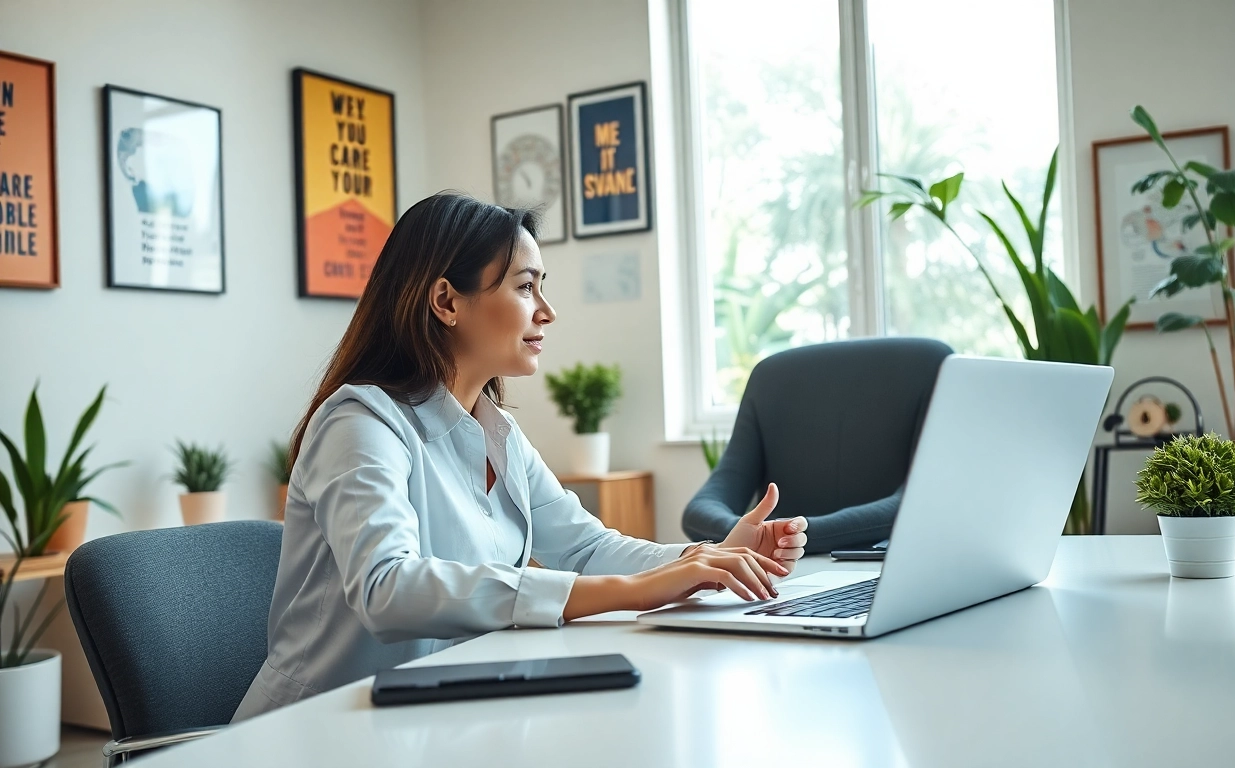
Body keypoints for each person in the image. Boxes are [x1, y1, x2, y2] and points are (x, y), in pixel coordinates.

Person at [233, 193, 808, 721]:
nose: (547, 311)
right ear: (445, 301)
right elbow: (389, 588)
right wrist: (631, 592)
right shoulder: (359, 422)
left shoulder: (495, 429)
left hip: (435, 717)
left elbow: (585, 546)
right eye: (526, 286)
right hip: (318, 730)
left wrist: (703, 557)